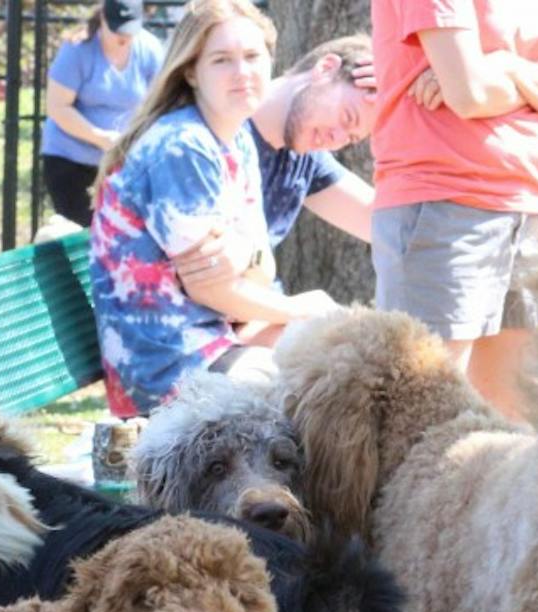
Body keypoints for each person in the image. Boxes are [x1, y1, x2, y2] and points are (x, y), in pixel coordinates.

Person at [89, 0, 336, 419]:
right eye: (222, 60)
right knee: (325, 388)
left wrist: (245, 254)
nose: (242, 72)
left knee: (344, 354)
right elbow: (212, 289)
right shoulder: (182, 147)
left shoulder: (235, 138)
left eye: (253, 57)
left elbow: (260, 270)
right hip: (167, 367)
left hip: (216, 337)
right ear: (191, 71)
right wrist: (300, 307)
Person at [370, 0, 538, 420]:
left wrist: (506, 66)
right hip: (443, 202)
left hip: (532, 210)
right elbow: (469, 93)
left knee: (515, 416)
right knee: (424, 415)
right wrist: (533, 87)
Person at [169, 34, 377, 292]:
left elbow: (392, 227)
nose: (337, 141)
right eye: (347, 118)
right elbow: (202, 280)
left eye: (351, 139)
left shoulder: (305, 156)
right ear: (325, 69)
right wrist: (296, 312)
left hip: (249, 308)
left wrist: (419, 88)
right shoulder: (208, 135)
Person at [40, 0, 164, 227]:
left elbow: (160, 104)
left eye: (130, 28)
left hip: (123, 163)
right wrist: (101, 137)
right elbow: (58, 107)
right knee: (82, 236)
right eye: (116, 27)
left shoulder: (150, 50)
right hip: (71, 161)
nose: (123, 37)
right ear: (103, 20)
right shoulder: (77, 49)